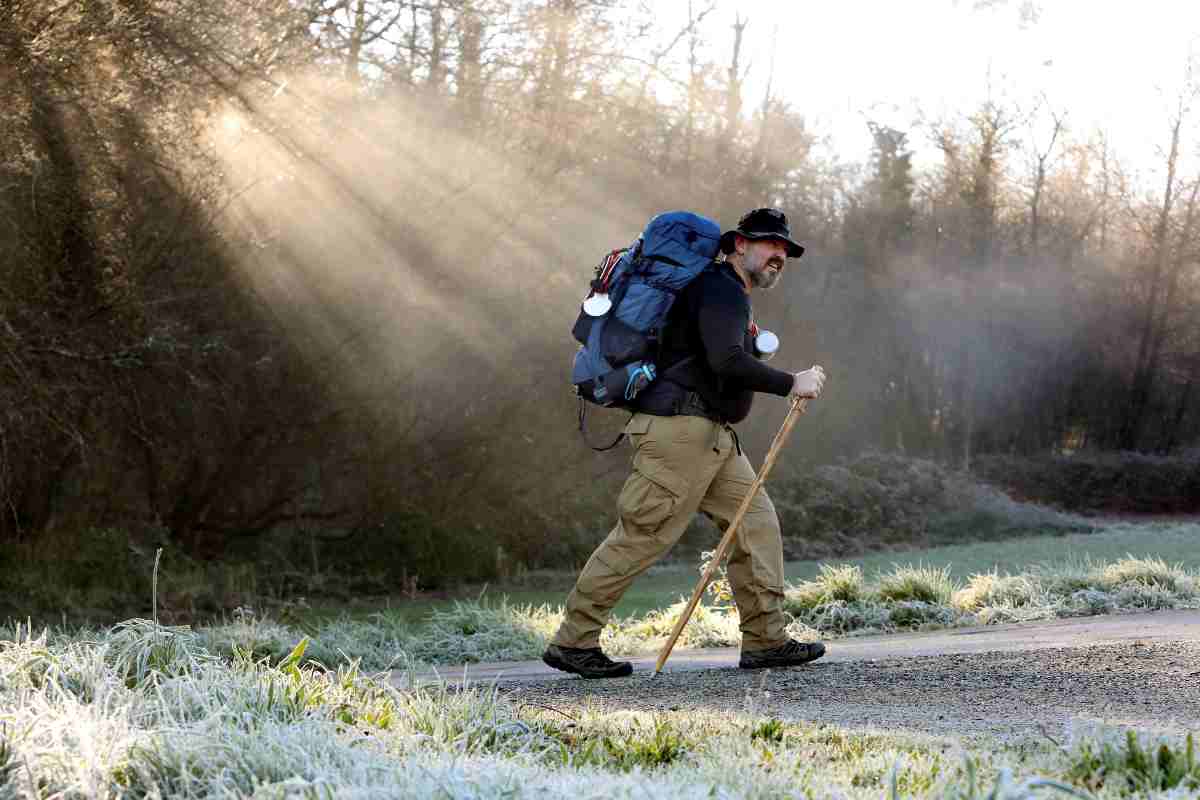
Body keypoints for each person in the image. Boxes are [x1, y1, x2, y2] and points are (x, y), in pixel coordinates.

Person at [543, 208, 827, 678]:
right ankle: (574, 641)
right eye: (769, 244)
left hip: (711, 436)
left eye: (785, 250)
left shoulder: (726, 291)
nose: (779, 255)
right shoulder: (719, 288)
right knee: (643, 535)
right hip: (679, 433)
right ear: (739, 244)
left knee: (754, 524)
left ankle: (765, 639)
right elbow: (727, 361)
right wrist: (790, 382)